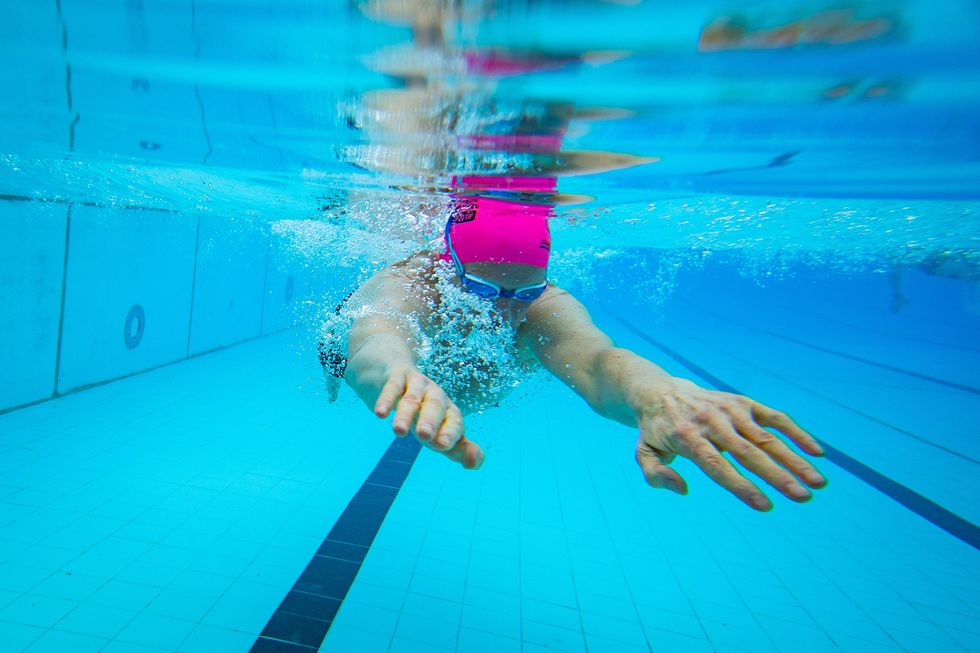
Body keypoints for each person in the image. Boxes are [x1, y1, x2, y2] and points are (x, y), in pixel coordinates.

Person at [319, 186, 827, 512]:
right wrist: (393, 374)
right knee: (334, 356)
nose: (502, 312)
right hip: (347, 349)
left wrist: (657, 393)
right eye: (481, 291)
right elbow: (375, 337)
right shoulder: (410, 283)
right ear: (446, 263)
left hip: (435, 380)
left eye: (522, 294)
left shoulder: (546, 305)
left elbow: (598, 361)